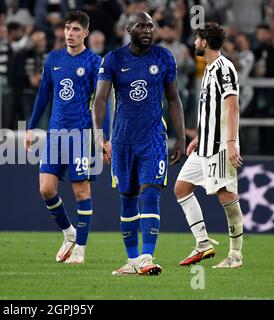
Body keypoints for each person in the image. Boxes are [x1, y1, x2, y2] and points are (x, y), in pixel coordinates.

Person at [93, 11, 186, 276]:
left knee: (150, 192)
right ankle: (132, 260)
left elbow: (174, 99)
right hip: (122, 140)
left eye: (150, 26)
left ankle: (147, 256)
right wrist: (99, 135)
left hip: (153, 137)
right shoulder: (113, 58)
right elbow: (100, 99)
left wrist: (180, 137)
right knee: (127, 198)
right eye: (141, 26)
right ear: (128, 28)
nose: (147, 30)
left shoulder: (164, 57)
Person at [24, 11, 106, 264]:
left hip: (81, 134)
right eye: (67, 29)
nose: (70, 34)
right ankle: (69, 233)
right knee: (46, 189)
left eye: (75, 30)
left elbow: (103, 103)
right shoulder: (54, 58)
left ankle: (80, 249)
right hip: (55, 133)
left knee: (81, 190)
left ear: (86, 33)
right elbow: (43, 95)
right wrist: (30, 126)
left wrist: (103, 137)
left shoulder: (94, 62)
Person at [174, 22, 244, 269]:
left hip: (220, 147)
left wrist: (232, 142)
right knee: (181, 188)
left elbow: (232, 106)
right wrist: (197, 137)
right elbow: (210, 111)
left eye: (196, 39)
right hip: (204, 144)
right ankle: (203, 244)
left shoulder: (225, 68)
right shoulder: (209, 69)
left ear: (205, 41)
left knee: (227, 199)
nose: (194, 43)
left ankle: (235, 256)